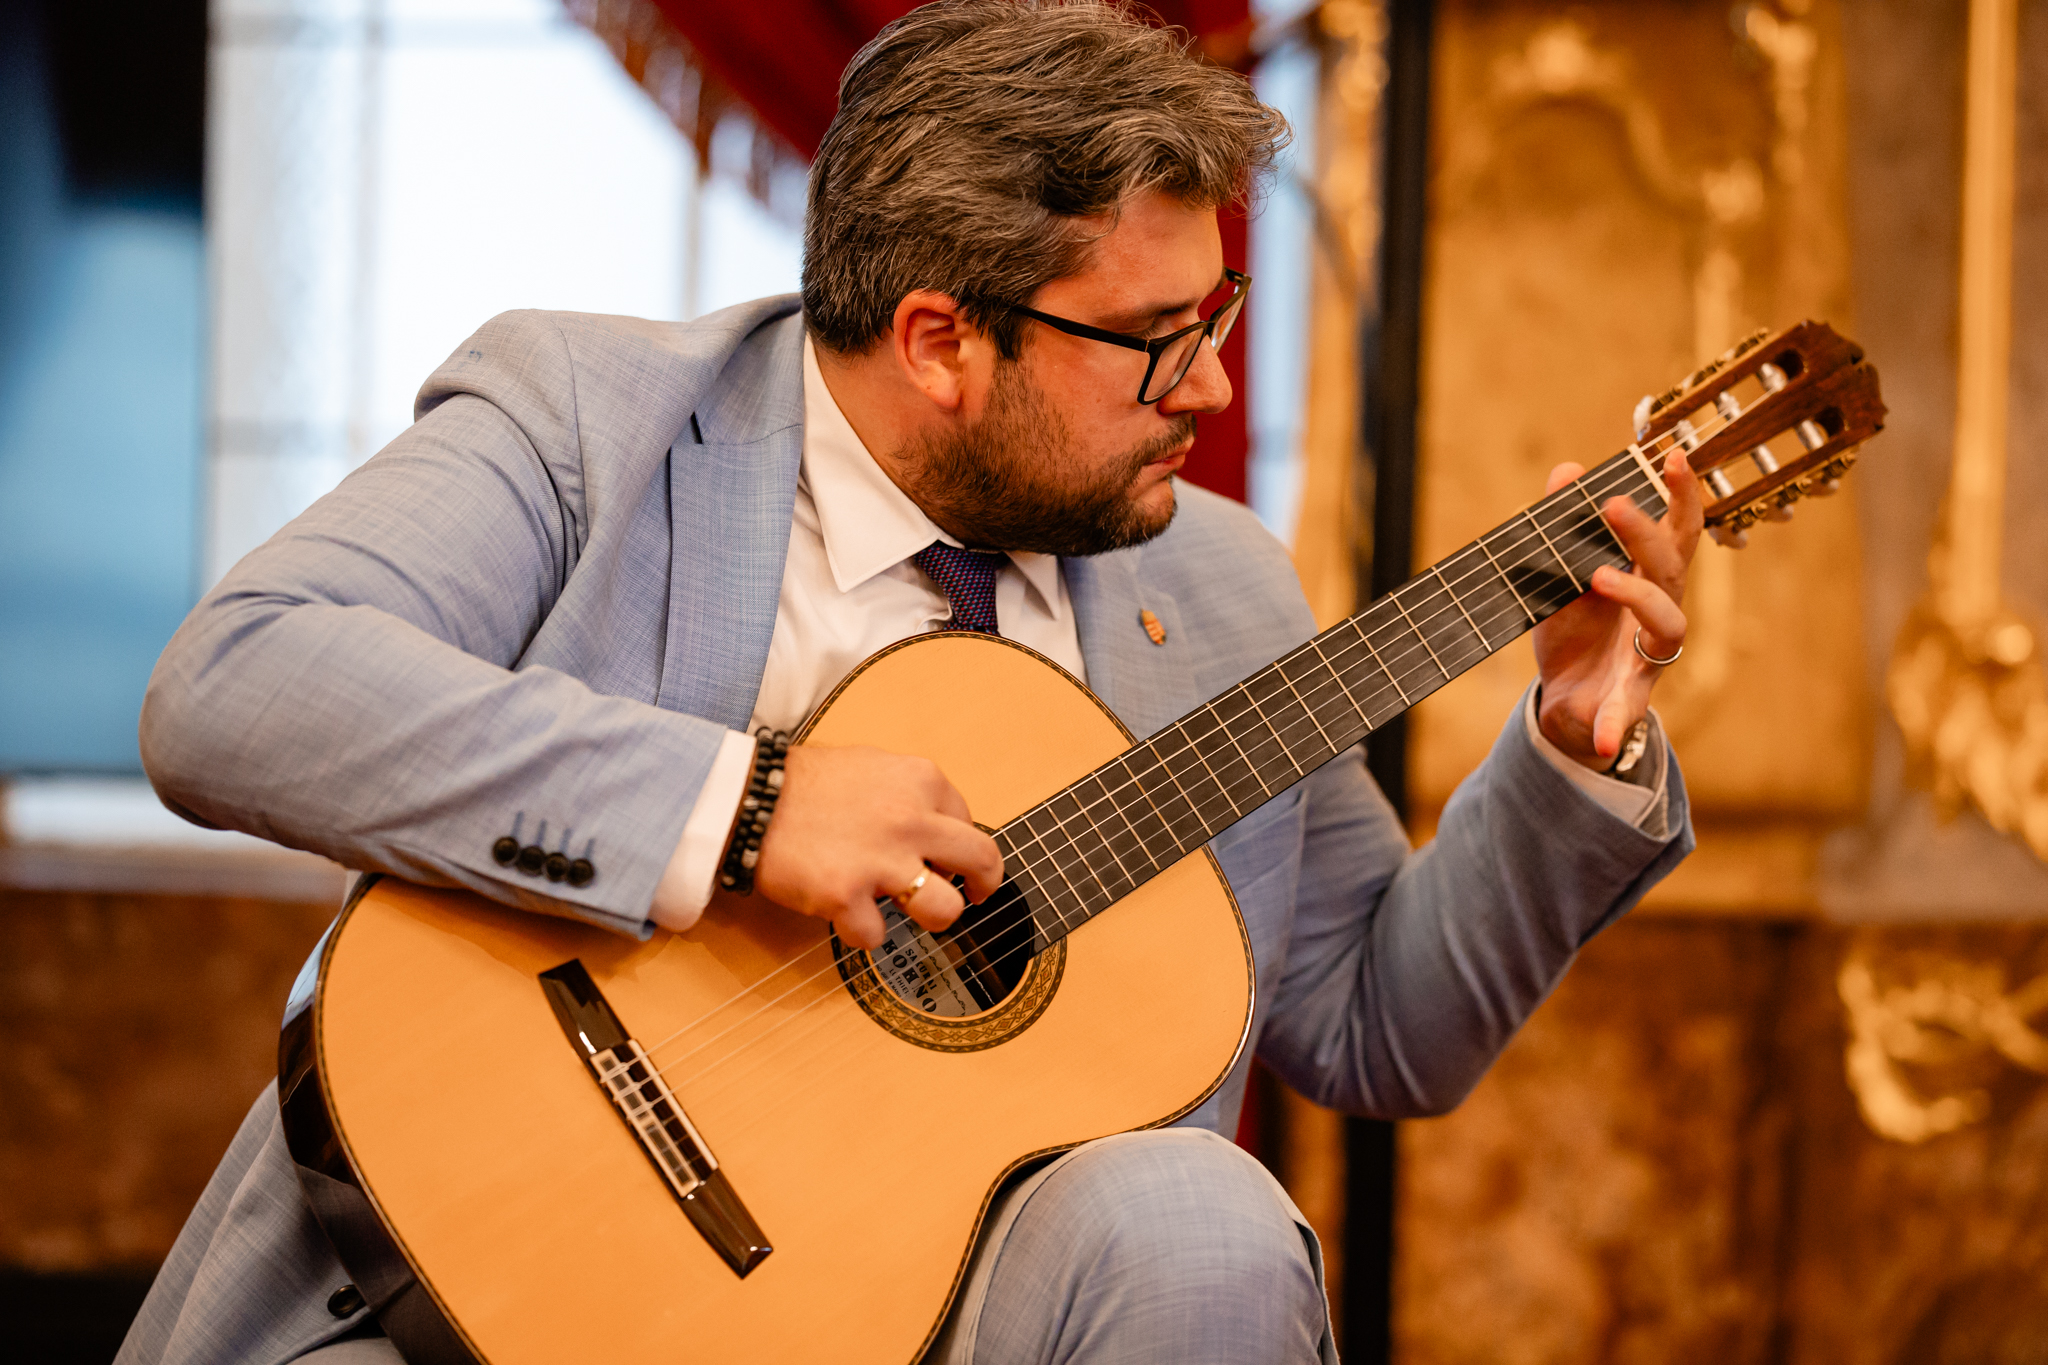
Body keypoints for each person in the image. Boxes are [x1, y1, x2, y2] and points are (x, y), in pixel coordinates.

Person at [118, 2, 1701, 1362]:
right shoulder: (590, 421)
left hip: (927, 1309)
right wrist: (748, 807)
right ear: (942, 340)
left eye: (1218, 314)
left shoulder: (1218, 585)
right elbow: (237, 684)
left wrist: (1570, 744)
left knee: (1203, 1212)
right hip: (446, 1276)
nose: (1214, 386)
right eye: (1159, 338)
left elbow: (1379, 1025)